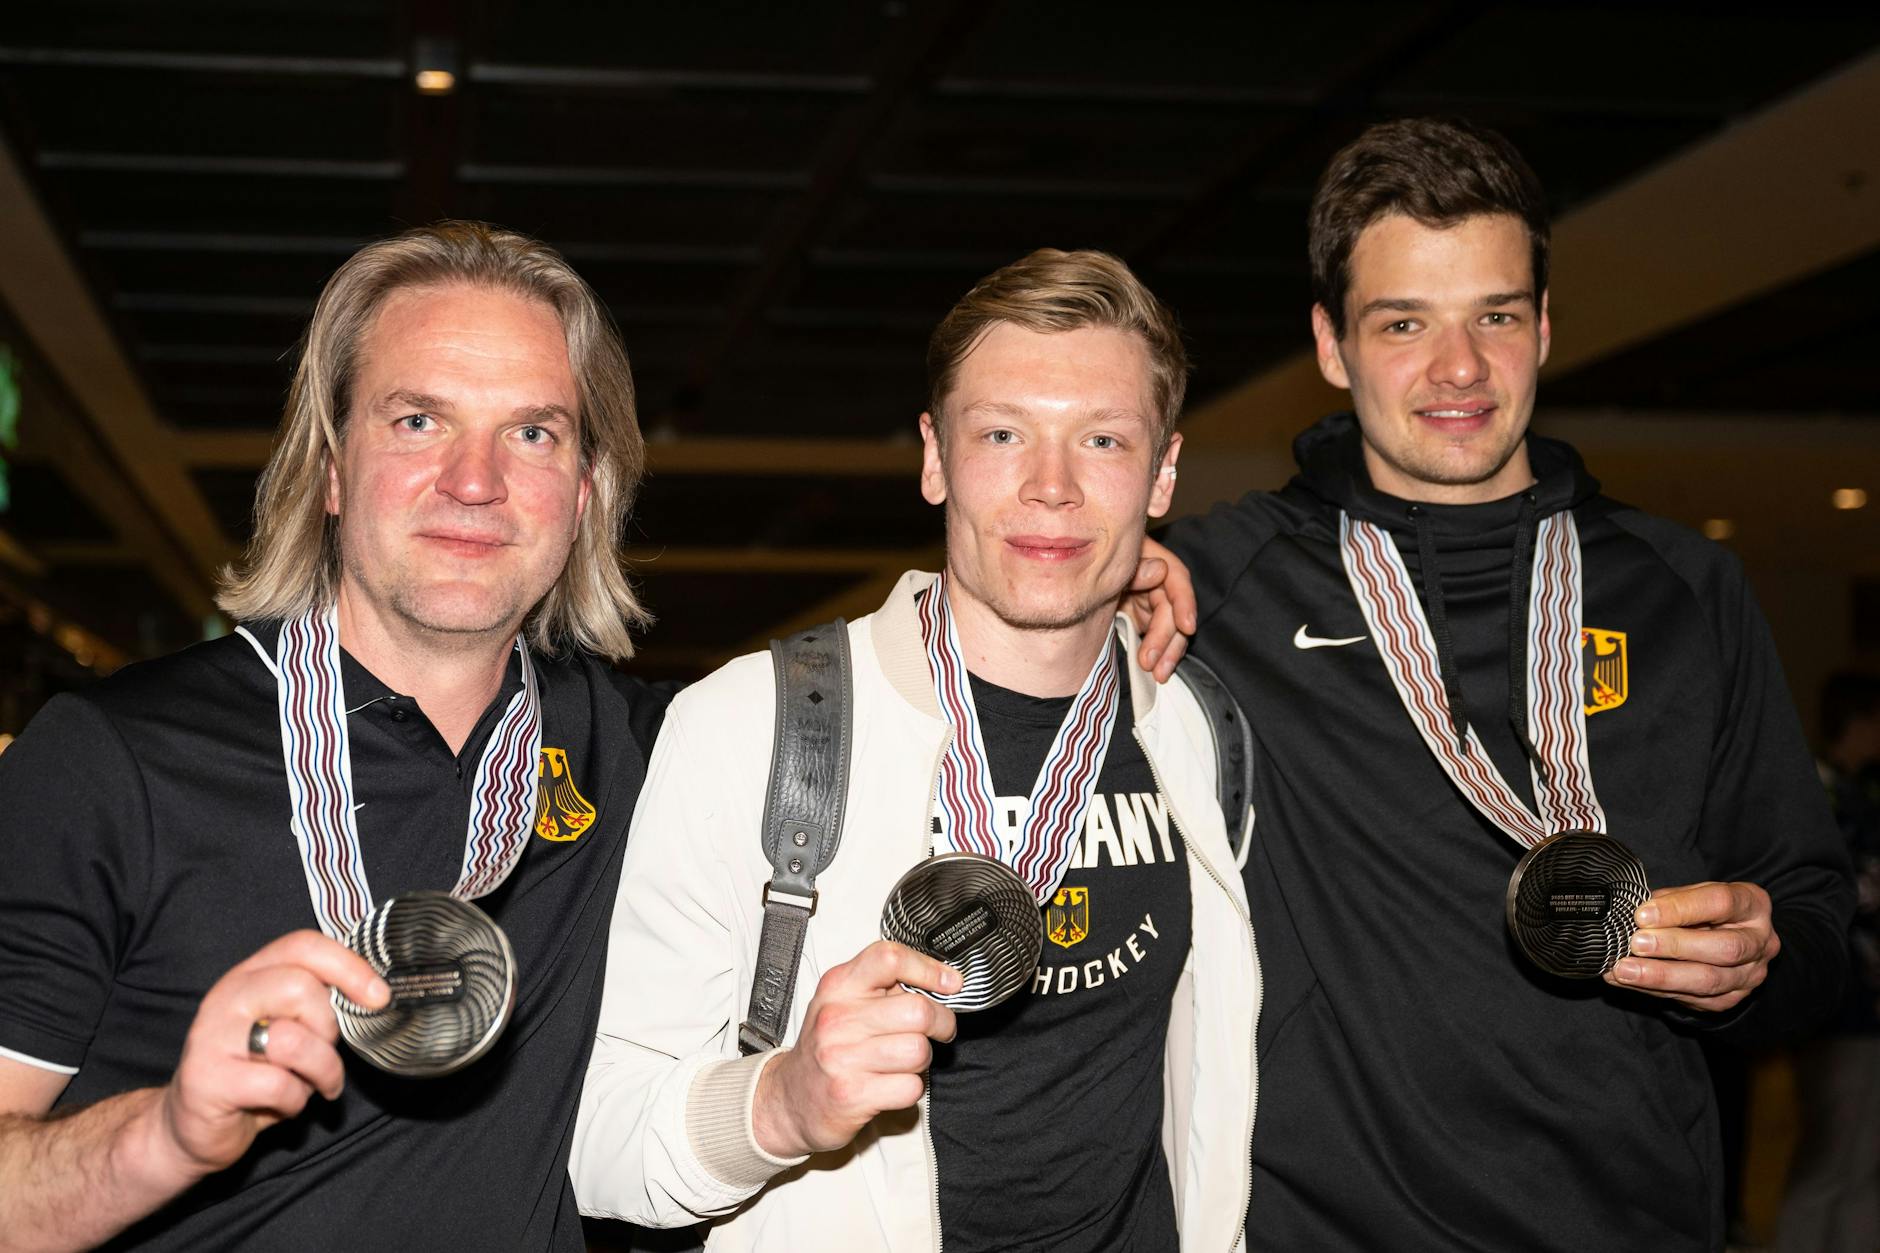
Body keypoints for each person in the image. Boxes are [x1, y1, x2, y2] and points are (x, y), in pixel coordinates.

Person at [1159, 118, 1853, 1251]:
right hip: (1325, 1228)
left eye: (1492, 315)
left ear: (1542, 325)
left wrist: (1760, 952)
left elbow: (1809, 915)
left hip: (1630, 1221)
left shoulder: (1683, 586)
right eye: (1402, 323)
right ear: (1330, 344)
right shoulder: (1218, 582)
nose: (1457, 370)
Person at [0, 222, 673, 1251]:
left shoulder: (645, 752)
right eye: (416, 420)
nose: (474, 479)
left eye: (531, 433)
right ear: (328, 467)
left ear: (584, 495)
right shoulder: (109, 758)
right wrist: (168, 1133)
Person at [572, 249, 1259, 1251]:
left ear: (1160, 473)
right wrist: (781, 1103)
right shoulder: (750, 724)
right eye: (1001, 433)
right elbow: (600, 1140)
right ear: (935, 456)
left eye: (1102, 440)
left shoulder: (1197, 727)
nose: (1051, 486)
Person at [1775, 671, 1880, 1252]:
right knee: (1828, 1161)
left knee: (1862, 1164)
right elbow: (1820, 896)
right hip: (1836, 1007)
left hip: (1865, 1008)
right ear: (1859, 719)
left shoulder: (1862, 790)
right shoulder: (1816, 789)